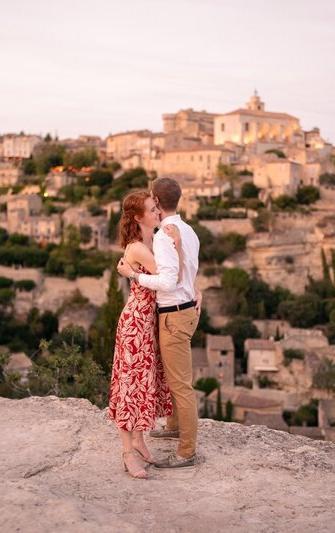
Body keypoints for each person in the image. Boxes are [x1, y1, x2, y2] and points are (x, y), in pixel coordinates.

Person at [118, 177, 201, 469]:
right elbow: (187, 273)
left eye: (154, 204)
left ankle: (186, 451)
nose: (153, 211)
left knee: (178, 383)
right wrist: (194, 291)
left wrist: (133, 275)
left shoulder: (167, 237)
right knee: (164, 377)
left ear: (157, 199)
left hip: (172, 313)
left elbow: (169, 280)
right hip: (170, 312)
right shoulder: (188, 231)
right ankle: (170, 427)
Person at [108, 190, 181, 479]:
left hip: (148, 322)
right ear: (138, 217)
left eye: (157, 208)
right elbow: (168, 279)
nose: (157, 213)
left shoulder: (153, 239)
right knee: (130, 387)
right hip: (135, 323)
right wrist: (176, 244)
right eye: (152, 210)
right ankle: (128, 454)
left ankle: (139, 441)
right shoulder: (137, 247)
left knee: (144, 383)